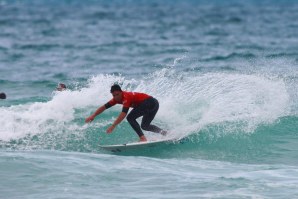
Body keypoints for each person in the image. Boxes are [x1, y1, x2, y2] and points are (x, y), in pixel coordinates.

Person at [85, 84, 167, 142]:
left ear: (121, 92)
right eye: (113, 95)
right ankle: (164, 133)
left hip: (150, 102)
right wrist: (93, 115)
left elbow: (124, 113)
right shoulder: (115, 100)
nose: (116, 97)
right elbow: (104, 107)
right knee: (145, 126)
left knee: (130, 118)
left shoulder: (126, 97)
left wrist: (113, 126)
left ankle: (142, 138)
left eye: (117, 94)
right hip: (154, 104)